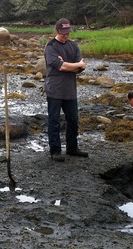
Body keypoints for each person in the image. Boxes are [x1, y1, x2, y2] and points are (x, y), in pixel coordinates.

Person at [43, 18, 89, 162]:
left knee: (73, 120)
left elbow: (81, 67)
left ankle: (72, 148)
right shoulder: (50, 47)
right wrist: (74, 65)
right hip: (54, 90)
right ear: (57, 31)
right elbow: (60, 66)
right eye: (63, 33)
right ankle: (55, 151)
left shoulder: (73, 46)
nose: (66, 35)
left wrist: (71, 64)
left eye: (67, 32)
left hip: (70, 91)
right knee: (54, 121)